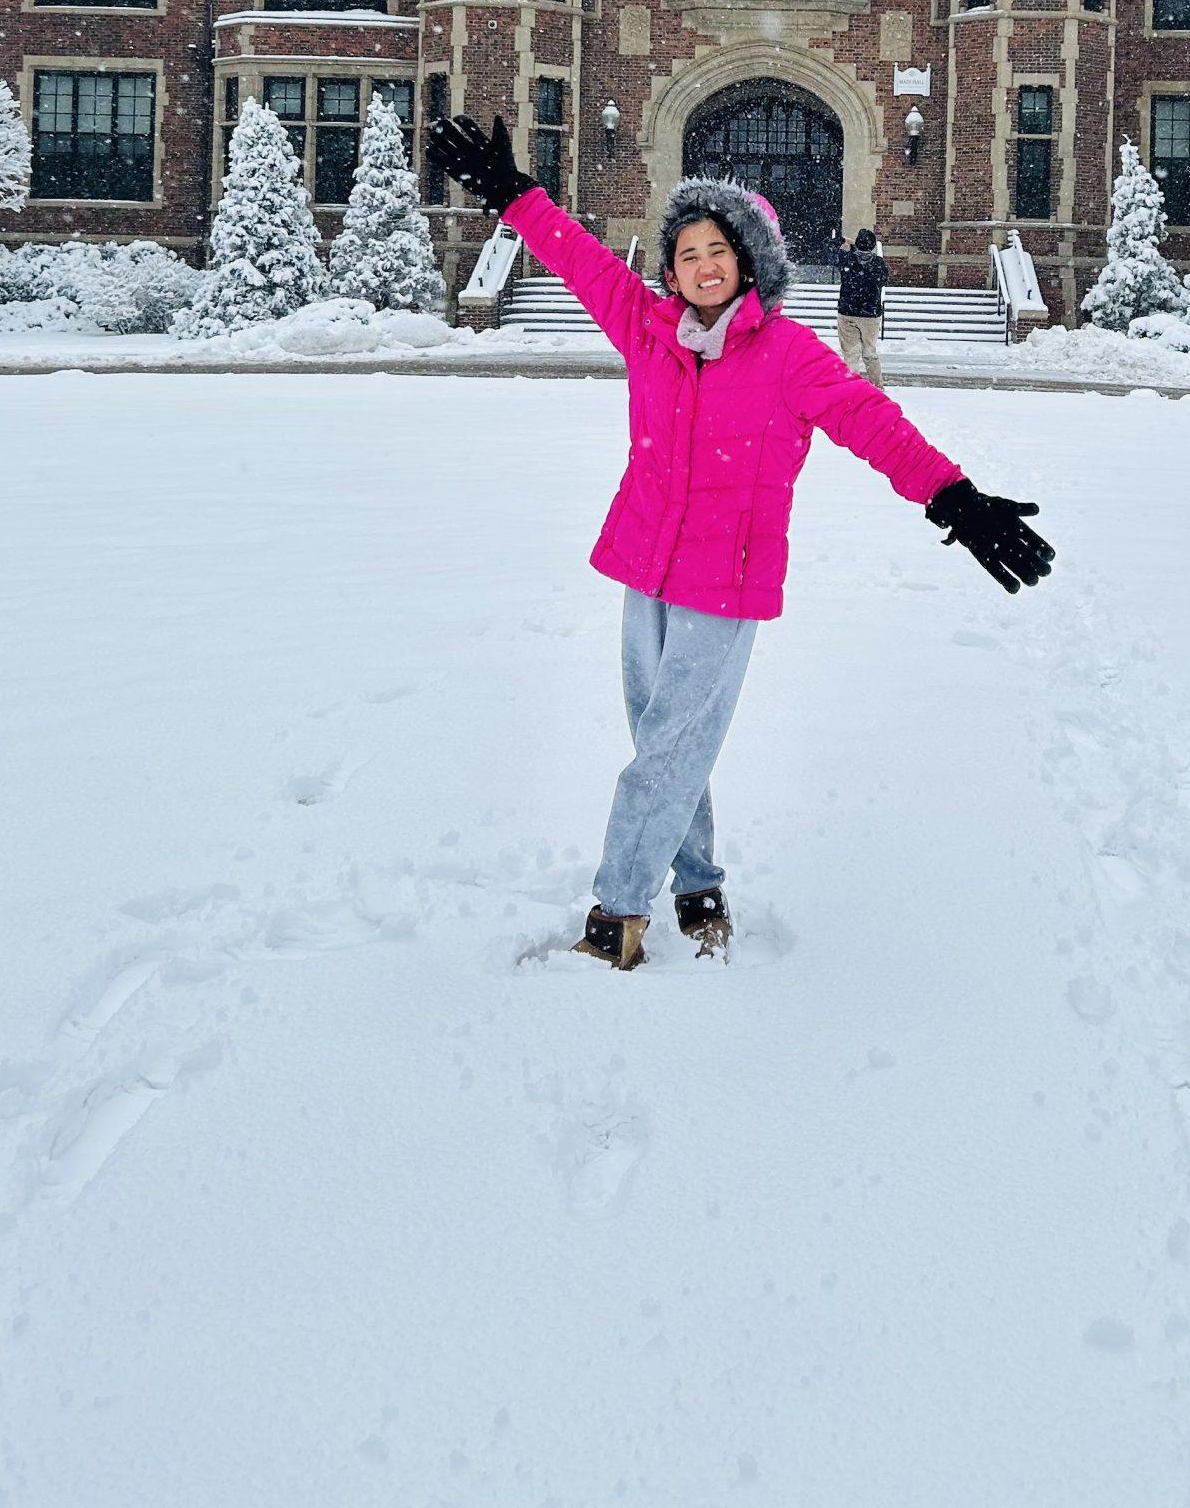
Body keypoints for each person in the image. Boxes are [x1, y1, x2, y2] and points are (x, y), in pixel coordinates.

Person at [428, 113, 1054, 972]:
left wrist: (956, 499)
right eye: (685, 253)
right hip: (643, 565)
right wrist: (516, 196)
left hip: (723, 582)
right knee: (665, 738)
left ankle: (617, 916)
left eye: (717, 249)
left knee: (668, 747)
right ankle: (698, 884)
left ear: (751, 258)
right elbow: (580, 260)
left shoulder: (790, 355)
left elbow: (874, 424)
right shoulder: (647, 329)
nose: (701, 266)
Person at [835, 225, 889, 386]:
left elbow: (830, 247)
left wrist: (846, 243)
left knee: (850, 354)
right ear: (872, 245)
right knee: (870, 352)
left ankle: (852, 386)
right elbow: (883, 280)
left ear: (858, 243)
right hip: (870, 314)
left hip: (847, 312)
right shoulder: (878, 263)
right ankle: (877, 385)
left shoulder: (847, 259)